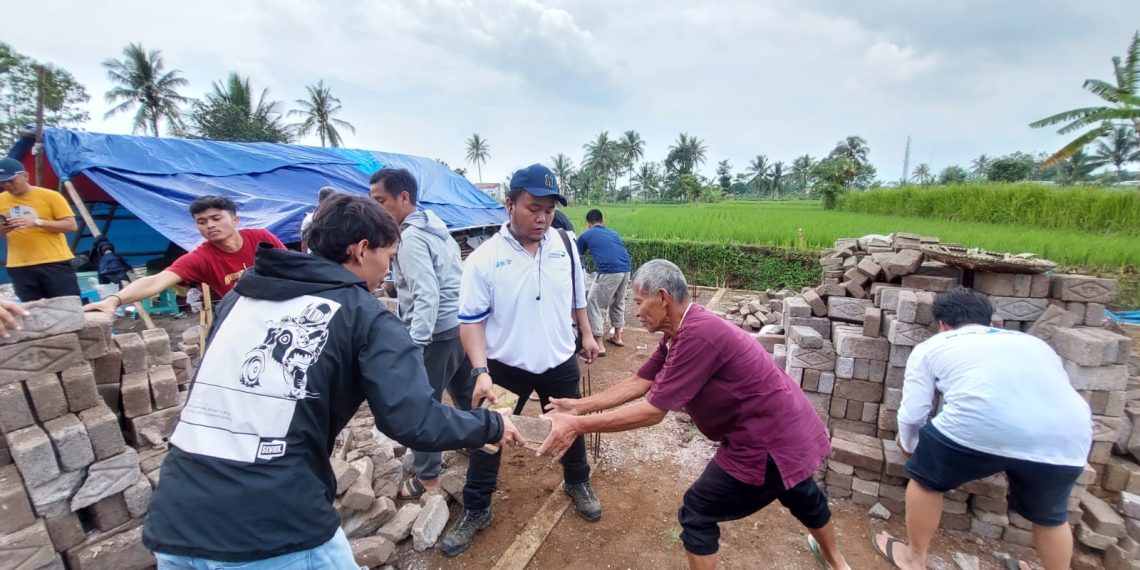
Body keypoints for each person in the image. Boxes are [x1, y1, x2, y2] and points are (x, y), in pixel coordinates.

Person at [142, 193, 524, 569]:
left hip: (175, 517)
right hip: (273, 529)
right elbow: (414, 421)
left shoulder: (241, 296)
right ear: (360, 250)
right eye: (388, 258)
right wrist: (491, 423)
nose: (388, 273)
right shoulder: (365, 317)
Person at [538, 259, 851, 570]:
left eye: (638, 302)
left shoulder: (697, 335)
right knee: (800, 491)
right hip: (788, 426)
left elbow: (652, 412)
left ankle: (835, 560)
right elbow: (640, 382)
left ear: (662, 298)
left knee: (698, 512)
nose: (635, 312)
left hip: (765, 441)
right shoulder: (681, 330)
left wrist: (576, 426)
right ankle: (837, 561)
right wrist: (578, 406)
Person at [440, 163, 602, 557]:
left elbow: (578, 296)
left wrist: (587, 333)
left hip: (559, 358)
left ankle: (576, 481)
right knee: (489, 438)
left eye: (548, 209)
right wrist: (479, 370)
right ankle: (478, 507)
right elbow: (471, 322)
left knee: (571, 425)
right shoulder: (483, 258)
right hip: (506, 365)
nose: (542, 217)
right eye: (533, 208)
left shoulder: (565, 245)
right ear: (509, 205)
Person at [873, 287, 1092, 570]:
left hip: (978, 423)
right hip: (1068, 434)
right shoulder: (1033, 344)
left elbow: (914, 412)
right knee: (1052, 516)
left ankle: (914, 558)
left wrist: (911, 446)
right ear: (991, 321)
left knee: (926, 480)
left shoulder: (933, 346)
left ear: (942, 324)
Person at [369, 167, 473, 499]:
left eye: (380, 200)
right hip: (457, 326)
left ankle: (428, 476)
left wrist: (416, 343)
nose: (376, 208)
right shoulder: (437, 228)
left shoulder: (411, 238)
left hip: (434, 333)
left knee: (422, 404)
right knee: (464, 391)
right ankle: (475, 441)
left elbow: (427, 294)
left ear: (404, 197)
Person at [84, 195, 285, 316]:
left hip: (283, 305)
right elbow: (156, 281)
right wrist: (113, 300)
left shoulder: (261, 238)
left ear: (235, 220)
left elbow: (292, 267)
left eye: (216, 218)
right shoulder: (201, 258)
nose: (210, 225)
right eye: (202, 222)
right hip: (245, 316)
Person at [0, 157, 80, 301]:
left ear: (25, 176)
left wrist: (37, 222)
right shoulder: (1, 200)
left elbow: (71, 225)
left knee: (67, 308)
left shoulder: (50, 196)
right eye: (2, 182)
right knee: (33, 314)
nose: (7, 185)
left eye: (11, 180)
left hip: (54, 262)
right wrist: (3, 229)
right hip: (19, 265)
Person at [576, 208, 632, 356]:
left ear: (588, 224)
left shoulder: (586, 234)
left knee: (594, 302)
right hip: (626, 269)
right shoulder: (614, 233)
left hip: (609, 271)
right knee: (618, 302)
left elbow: (577, 256)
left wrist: (583, 269)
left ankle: (599, 344)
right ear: (603, 222)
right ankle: (617, 336)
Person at [300, 186, 338, 252]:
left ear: (319, 201)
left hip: (314, 257)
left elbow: (304, 244)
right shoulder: (341, 218)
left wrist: (305, 259)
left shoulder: (309, 218)